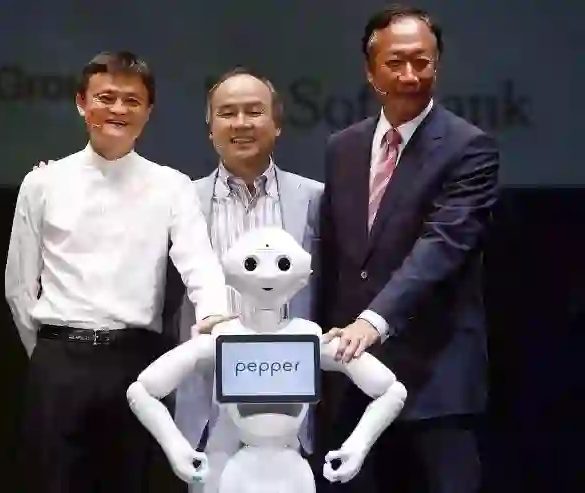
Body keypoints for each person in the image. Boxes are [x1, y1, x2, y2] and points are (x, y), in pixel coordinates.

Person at [5, 51, 232, 493]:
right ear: (81, 103)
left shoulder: (171, 185)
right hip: (59, 360)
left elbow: (199, 263)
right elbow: (19, 286)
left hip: (135, 362)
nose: (118, 109)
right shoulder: (43, 183)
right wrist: (47, 357)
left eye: (132, 100)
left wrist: (215, 317)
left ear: (148, 111)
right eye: (105, 97)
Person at [316, 6, 500, 493]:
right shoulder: (343, 147)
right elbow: (336, 260)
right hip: (353, 375)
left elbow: (442, 245)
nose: (411, 75)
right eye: (396, 63)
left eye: (423, 61)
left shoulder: (469, 147)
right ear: (370, 70)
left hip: (435, 378)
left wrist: (373, 321)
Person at [163, 67, 323, 489]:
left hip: (290, 402)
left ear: (278, 123)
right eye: (227, 113)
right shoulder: (181, 201)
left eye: (254, 111)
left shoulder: (315, 199)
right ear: (210, 128)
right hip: (208, 403)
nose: (241, 123)